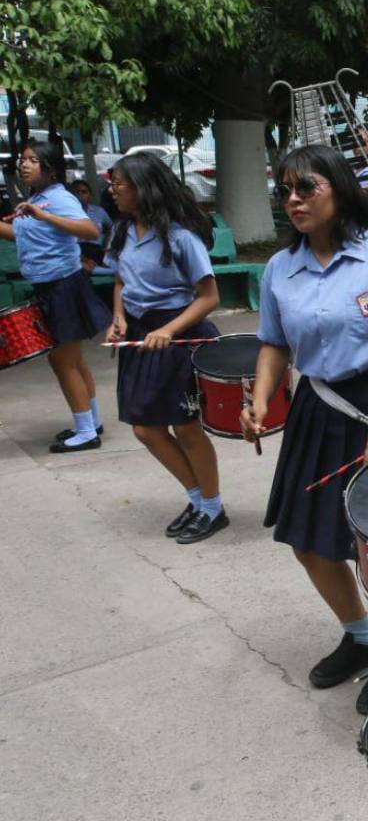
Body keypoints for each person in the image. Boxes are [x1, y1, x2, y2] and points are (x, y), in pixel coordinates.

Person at [243, 144, 368, 712]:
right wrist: (259, 401)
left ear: (339, 188)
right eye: (285, 190)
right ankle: (358, 638)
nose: (294, 200)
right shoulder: (281, 268)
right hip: (319, 410)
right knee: (310, 542)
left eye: (307, 187)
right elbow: (275, 344)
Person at [104, 153, 227, 543]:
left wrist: (170, 330)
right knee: (145, 428)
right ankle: (198, 499)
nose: (113, 188)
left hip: (178, 336)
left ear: (143, 187)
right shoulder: (122, 231)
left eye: (119, 182)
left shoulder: (180, 237)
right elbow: (122, 282)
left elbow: (208, 297)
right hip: (140, 336)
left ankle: (212, 507)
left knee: (186, 428)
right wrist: (118, 317)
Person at [0, 140, 109, 451]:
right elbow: (20, 234)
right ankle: (91, 421)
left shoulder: (58, 198)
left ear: (49, 167)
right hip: (50, 287)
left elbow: (89, 231)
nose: (24, 164)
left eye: (32, 160)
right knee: (73, 361)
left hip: (63, 286)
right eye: (22, 159)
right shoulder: (39, 198)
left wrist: (46, 216)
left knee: (63, 363)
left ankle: (86, 432)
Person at [68, 179, 113, 270]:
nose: (80, 194)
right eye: (76, 192)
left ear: (90, 196)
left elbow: (111, 228)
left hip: (97, 250)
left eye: (84, 192)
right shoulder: (65, 213)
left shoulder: (99, 211)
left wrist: (106, 246)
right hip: (75, 251)